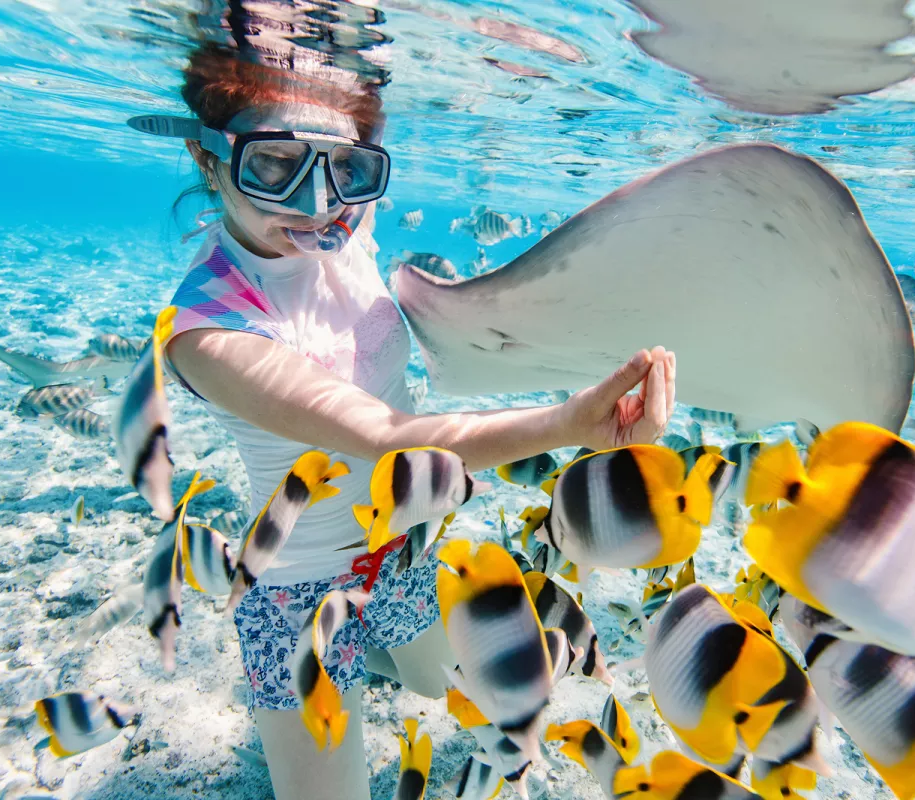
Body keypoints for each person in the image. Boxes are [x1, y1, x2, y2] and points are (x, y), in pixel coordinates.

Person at [132, 44, 676, 800]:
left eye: (346, 171)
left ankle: (372, 666)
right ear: (208, 156)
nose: (317, 205)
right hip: (296, 597)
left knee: (433, 686)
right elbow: (385, 437)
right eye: (273, 166)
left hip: (404, 542)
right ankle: (301, 691)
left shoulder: (353, 224)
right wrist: (568, 423)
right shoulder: (207, 331)